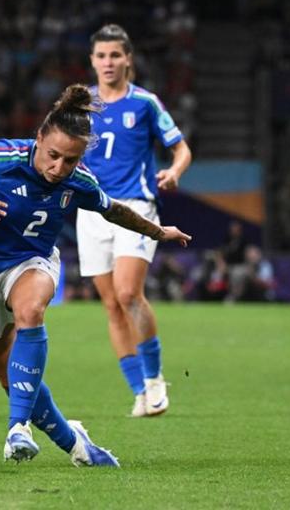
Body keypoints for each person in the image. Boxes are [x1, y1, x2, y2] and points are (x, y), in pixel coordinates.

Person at [0, 84, 191, 467]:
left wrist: (160, 232)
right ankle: (76, 445)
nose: (59, 168)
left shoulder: (79, 181)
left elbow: (114, 210)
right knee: (13, 379)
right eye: (53, 155)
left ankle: (17, 429)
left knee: (31, 310)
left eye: (70, 161)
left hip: (32, 263)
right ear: (38, 139)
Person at [76, 24, 193, 418]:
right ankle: (139, 390)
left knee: (128, 294)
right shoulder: (81, 104)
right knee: (110, 305)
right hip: (92, 210)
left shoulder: (144, 103)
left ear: (128, 59)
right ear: (92, 61)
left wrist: (175, 172)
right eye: (101, 56)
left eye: (115, 55)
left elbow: (181, 149)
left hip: (137, 207)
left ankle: (156, 377)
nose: (108, 62)